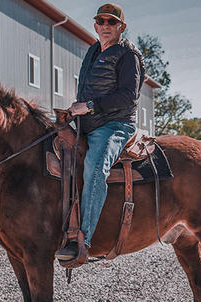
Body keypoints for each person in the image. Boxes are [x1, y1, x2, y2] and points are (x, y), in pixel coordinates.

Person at [55, 3, 145, 261]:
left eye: (111, 22)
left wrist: (90, 106)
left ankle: (81, 240)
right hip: (87, 123)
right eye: (101, 22)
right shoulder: (94, 51)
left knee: (95, 167)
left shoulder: (129, 55)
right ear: (95, 26)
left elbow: (129, 96)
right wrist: (74, 111)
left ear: (121, 27)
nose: (105, 26)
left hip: (115, 125)